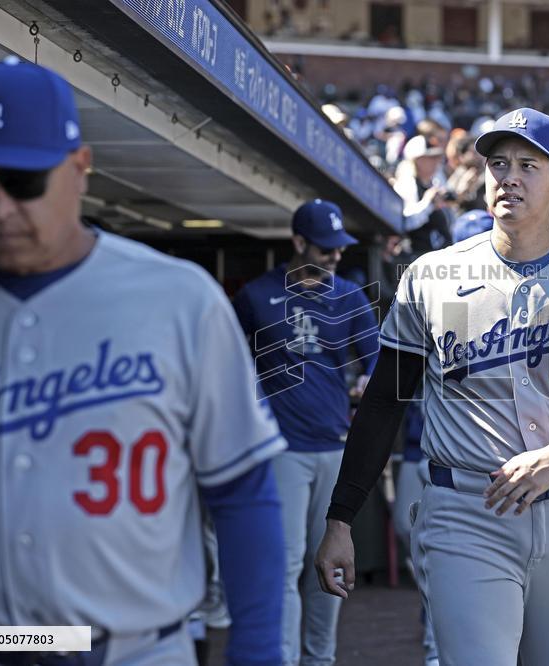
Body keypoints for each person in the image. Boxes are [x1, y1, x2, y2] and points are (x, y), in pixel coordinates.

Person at [0, 58, 286, 665]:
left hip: (136, 650)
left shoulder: (179, 297)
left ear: (80, 169)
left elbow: (242, 490)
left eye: (21, 181)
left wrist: (256, 649)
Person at [314, 107, 549, 665]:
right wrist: (341, 519)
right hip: (467, 508)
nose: (510, 177)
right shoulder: (432, 276)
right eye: (498, 163)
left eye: (529, 165)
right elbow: (384, 402)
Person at [232, 199, 379, 666]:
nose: (337, 256)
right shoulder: (257, 294)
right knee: (285, 567)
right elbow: (226, 366)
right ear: (298, 243)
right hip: (281, 450)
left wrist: (364, 385)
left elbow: (378, 366)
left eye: (340, 248)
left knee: (330, 563)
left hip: (334, 448)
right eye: (326, 248)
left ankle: (320, 660)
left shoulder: (351, 295)